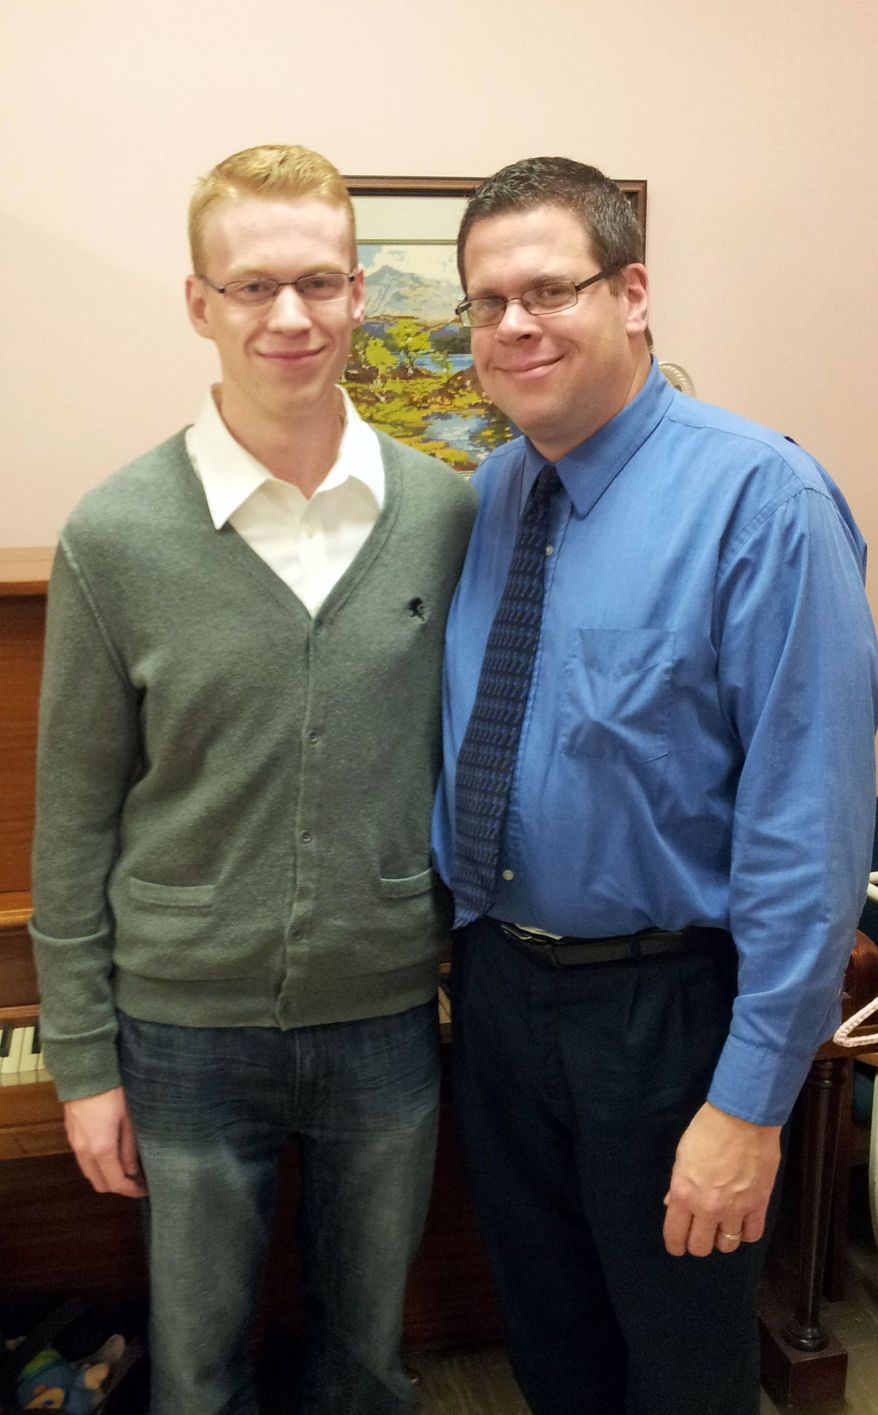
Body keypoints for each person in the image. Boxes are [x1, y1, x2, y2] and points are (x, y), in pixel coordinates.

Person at [30, 143, 476, 1415]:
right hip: (180, 1029)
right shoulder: (115, 535)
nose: (290, 315)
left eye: (319, 281)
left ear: (357, 295)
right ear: (199, 303)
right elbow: (71, 820)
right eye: (252, 285)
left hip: (384, 1016)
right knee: (197, 1369)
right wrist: (82, 1064)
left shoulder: (446, 516)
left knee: (367, 1361)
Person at [432, 156, 878, 1415]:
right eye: (485, 302)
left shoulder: (760, 498)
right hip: (500, 992)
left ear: (631, 293)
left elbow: (808, 829)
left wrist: (748, 1103)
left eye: (547, 290)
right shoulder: (493, 493)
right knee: (551, 1348)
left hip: (667, 1013)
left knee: (681, 1371)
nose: (513, 325)